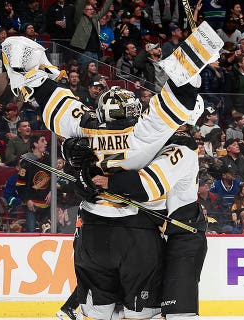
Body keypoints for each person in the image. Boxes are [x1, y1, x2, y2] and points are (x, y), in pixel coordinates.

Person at [2, 29, 220, 319]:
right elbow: (176, 103)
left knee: (96, 310)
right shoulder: (147, 133)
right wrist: (192, 61)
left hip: (90, 233)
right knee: (142, 313)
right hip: (139, 237)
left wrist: (28, 75)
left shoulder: (85, 126)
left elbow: (54, 101)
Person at [90, 102, 207, 319]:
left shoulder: (181, 147)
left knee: (178, 313)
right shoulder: (157, 144)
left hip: (183, 238)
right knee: (131, 306)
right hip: (154, 236)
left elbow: (149, 185)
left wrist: (109, 182)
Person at [16, 134, 51, 232]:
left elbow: (54, 178)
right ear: (35, 144)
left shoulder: (48, 159)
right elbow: (20, 184)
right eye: (43, 140)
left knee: (49, 231)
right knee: (31, 232)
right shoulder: (26, 161)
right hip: (32, 204)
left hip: (47, 204)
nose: (46, 143)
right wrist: (27, 200)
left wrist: (52, 191)